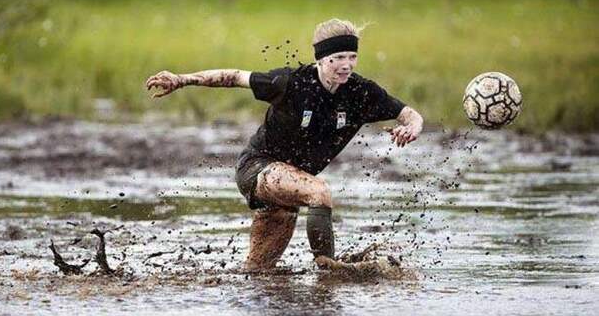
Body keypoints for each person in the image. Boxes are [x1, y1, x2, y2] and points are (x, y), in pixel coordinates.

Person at [145, 18, 423, 271]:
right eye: (338, 57)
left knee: (257, 273)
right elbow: (234, 76)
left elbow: (409, 114)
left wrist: (412, 127)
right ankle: (330, 270)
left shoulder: (360, 92)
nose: (346, 65)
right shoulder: (291, 83)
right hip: (258, 169)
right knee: (319, 192)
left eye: (352, 57)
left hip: (287, 194)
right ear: (321, 59)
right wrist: (181, 80)